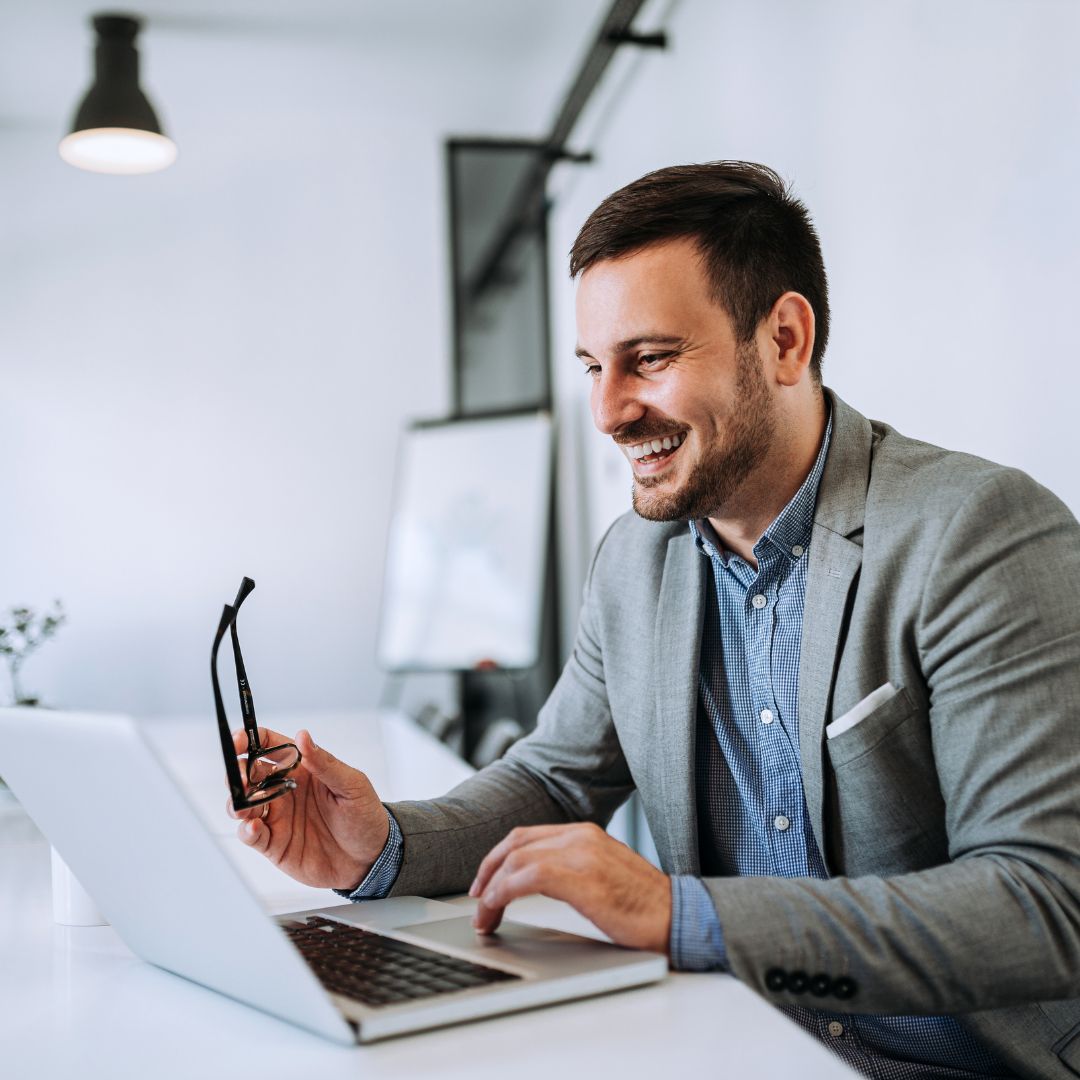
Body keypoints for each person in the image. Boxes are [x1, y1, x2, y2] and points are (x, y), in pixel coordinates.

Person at [230, 162, 1080, 1079]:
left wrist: (682, 915)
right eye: (595, 366)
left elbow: (1044, 901)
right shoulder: (633, 561)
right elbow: (557, 781)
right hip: (730, 1048)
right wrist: (385, 843)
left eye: (652, 359)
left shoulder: (979, 532)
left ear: (786, 340)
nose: (607, 412)